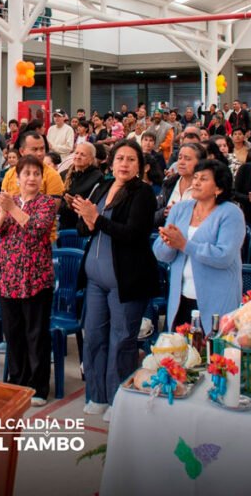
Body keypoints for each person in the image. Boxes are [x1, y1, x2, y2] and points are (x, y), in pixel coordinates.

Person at [69, 140, 158, 418]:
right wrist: (86, 218)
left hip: (126, 279)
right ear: (111, 162)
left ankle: (120, 398)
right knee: (94, 336)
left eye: (131, 160)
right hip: (96, 279)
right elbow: (86, 228)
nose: (124, 164)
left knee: (121, 340)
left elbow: (133, 233)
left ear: (140, 166)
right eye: (120, 158)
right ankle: (97, 395)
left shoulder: (142, 193)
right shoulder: (104, 187)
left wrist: (97, 219)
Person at [0, 155, 58, 406]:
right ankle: (17, 381)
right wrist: (4, 210)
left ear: (42, 178)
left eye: (36, 174)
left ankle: (38, 387)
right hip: (8, 277)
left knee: (35, 334)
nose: (31, 178)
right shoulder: (10, 201)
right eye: (26, 173)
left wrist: (12, 209)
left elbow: (37, 229)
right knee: (13, 333)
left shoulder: (47, 203)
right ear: (17, 177)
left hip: (36, 278)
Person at [153, 160, 245, 332]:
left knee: (211, 353)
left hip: (217, 298)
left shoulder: (231, 213)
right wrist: (169, 243)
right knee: (179, 352)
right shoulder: (179, 209)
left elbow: (224, 256)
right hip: (180, 297)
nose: (195, 182)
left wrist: (184, 244)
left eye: (203, 179)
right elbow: (161, 254)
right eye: (195, 177)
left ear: (218, 188)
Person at [157, 142, 206, 227]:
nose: (181, 162)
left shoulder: (205, 188)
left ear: (200, 162)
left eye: (187, 159)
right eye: (180, 158)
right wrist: (165, 212)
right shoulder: (169, 183)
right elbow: (153, 216)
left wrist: (182, 213)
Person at [59, 142, 103, 231]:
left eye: (82, 154)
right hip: (63, 223)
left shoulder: (97, 177)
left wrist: (75, 204)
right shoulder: (63, 174)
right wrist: (67, 205)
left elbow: (95, 204)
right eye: (76, 153)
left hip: (83, 227)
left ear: (91, 159)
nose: (78, 156)